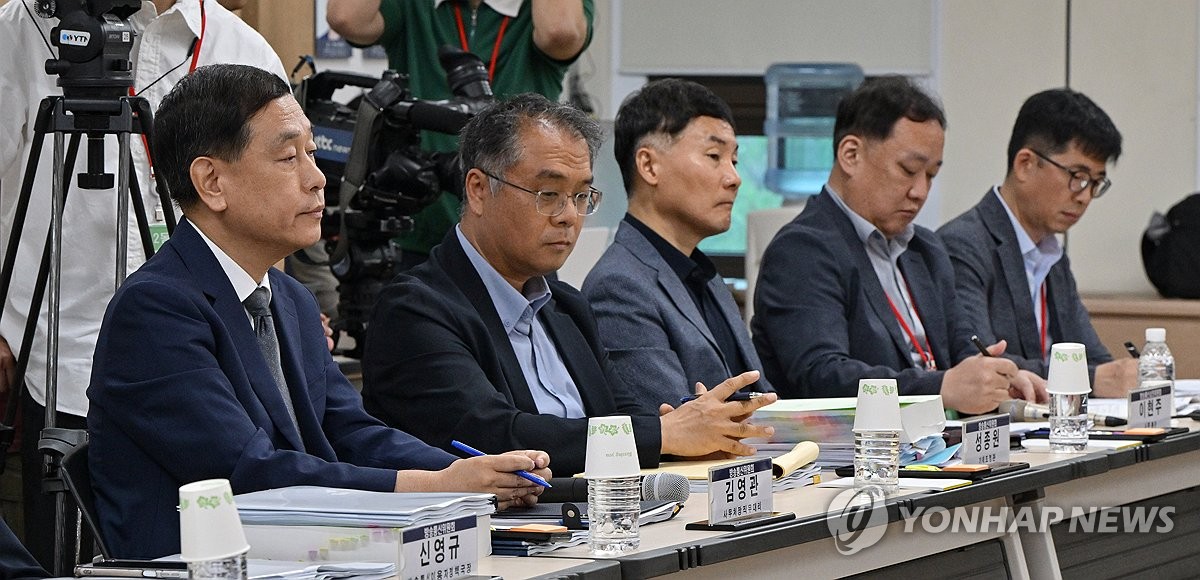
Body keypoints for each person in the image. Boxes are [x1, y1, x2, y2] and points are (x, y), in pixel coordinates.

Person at [86, 64, 550, 559]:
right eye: (289, 157)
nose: (317, 178)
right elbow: (250, 473)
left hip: (308, 554)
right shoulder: (155, 309)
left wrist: (472, 473)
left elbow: (351, 431)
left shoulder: (290, 298)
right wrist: (435, 486)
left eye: (311, 152)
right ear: (212, 181)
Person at [0, 0, 287, 564]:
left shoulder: (240, 48)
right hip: (45, 361)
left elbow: (269, 220)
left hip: (201, 373)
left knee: (191, 556)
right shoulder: (21, 31)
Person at [361, 93, 776, 476]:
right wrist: (662, 435)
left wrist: (686, 424)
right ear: (479, 189)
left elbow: (623, 417)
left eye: (581, 196)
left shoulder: (567, 307)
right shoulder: (415, 308)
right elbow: (492, 434)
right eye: (549, 193)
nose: (568, 216)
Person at [752, 76, 1045, 414]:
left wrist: (997, 376)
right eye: (908, 170)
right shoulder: (802, 250)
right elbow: (822, 377)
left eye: (931, 175)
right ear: (851, 155)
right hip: (849, 444)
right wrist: (939, 388)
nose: (920, 191)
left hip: (936, 437)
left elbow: (962, 348)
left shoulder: (926, 249)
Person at [325, 0, 593, 269]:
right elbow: (346, 18)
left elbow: (560, 31)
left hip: (517, 246)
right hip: (415, 232)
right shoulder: (417, 7)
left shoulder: (537, 15)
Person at [581, 79, 773, 410]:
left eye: (734, 161)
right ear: (649, 166)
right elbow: (673, 424)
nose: (734, 178)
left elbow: (760, 396)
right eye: (714, 156)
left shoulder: (703, 275)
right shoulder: (618, 287)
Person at [938, 89, 1136, 397]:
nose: (1085, 196)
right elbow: (982, 361)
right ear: (1025, 164)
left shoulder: (1052, 254)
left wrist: (1121, 374)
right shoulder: (963, 245)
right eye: (1078, 176)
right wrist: (1092, 378)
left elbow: (1092, 356)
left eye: (1095, 183)